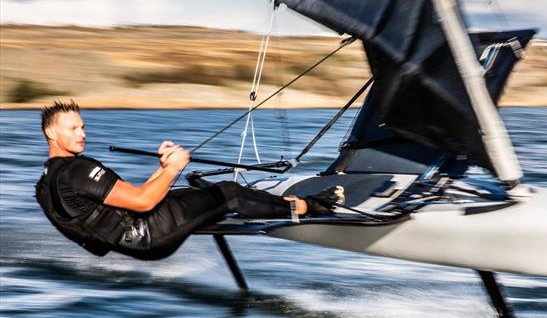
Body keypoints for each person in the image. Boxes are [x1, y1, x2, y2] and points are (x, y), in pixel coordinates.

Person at [36, 100, 332, 260]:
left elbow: (126, 201)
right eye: (73, 128)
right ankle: (308, 208)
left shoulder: (48, 181)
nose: (82, 134)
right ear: (52, 133)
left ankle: (224, 211)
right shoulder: (78, 171)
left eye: (83, 126)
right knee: (229, 193)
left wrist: (163, 168)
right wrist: (174, 167)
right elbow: (143, 202)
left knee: (185, 194)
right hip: (150, 235)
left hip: (134, 240)